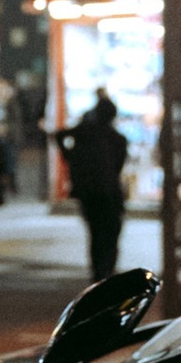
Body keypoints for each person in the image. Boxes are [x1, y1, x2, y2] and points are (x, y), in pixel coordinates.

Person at [64, 89, 132, 281]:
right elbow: (119, 166)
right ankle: (107, 269)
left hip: (90, 193)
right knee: (111, 233)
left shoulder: (85, 134)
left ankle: (98, 272)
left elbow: (61, 135)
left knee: (95, 233)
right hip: (110, 194)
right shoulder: (118, 139)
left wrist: (70, 157)